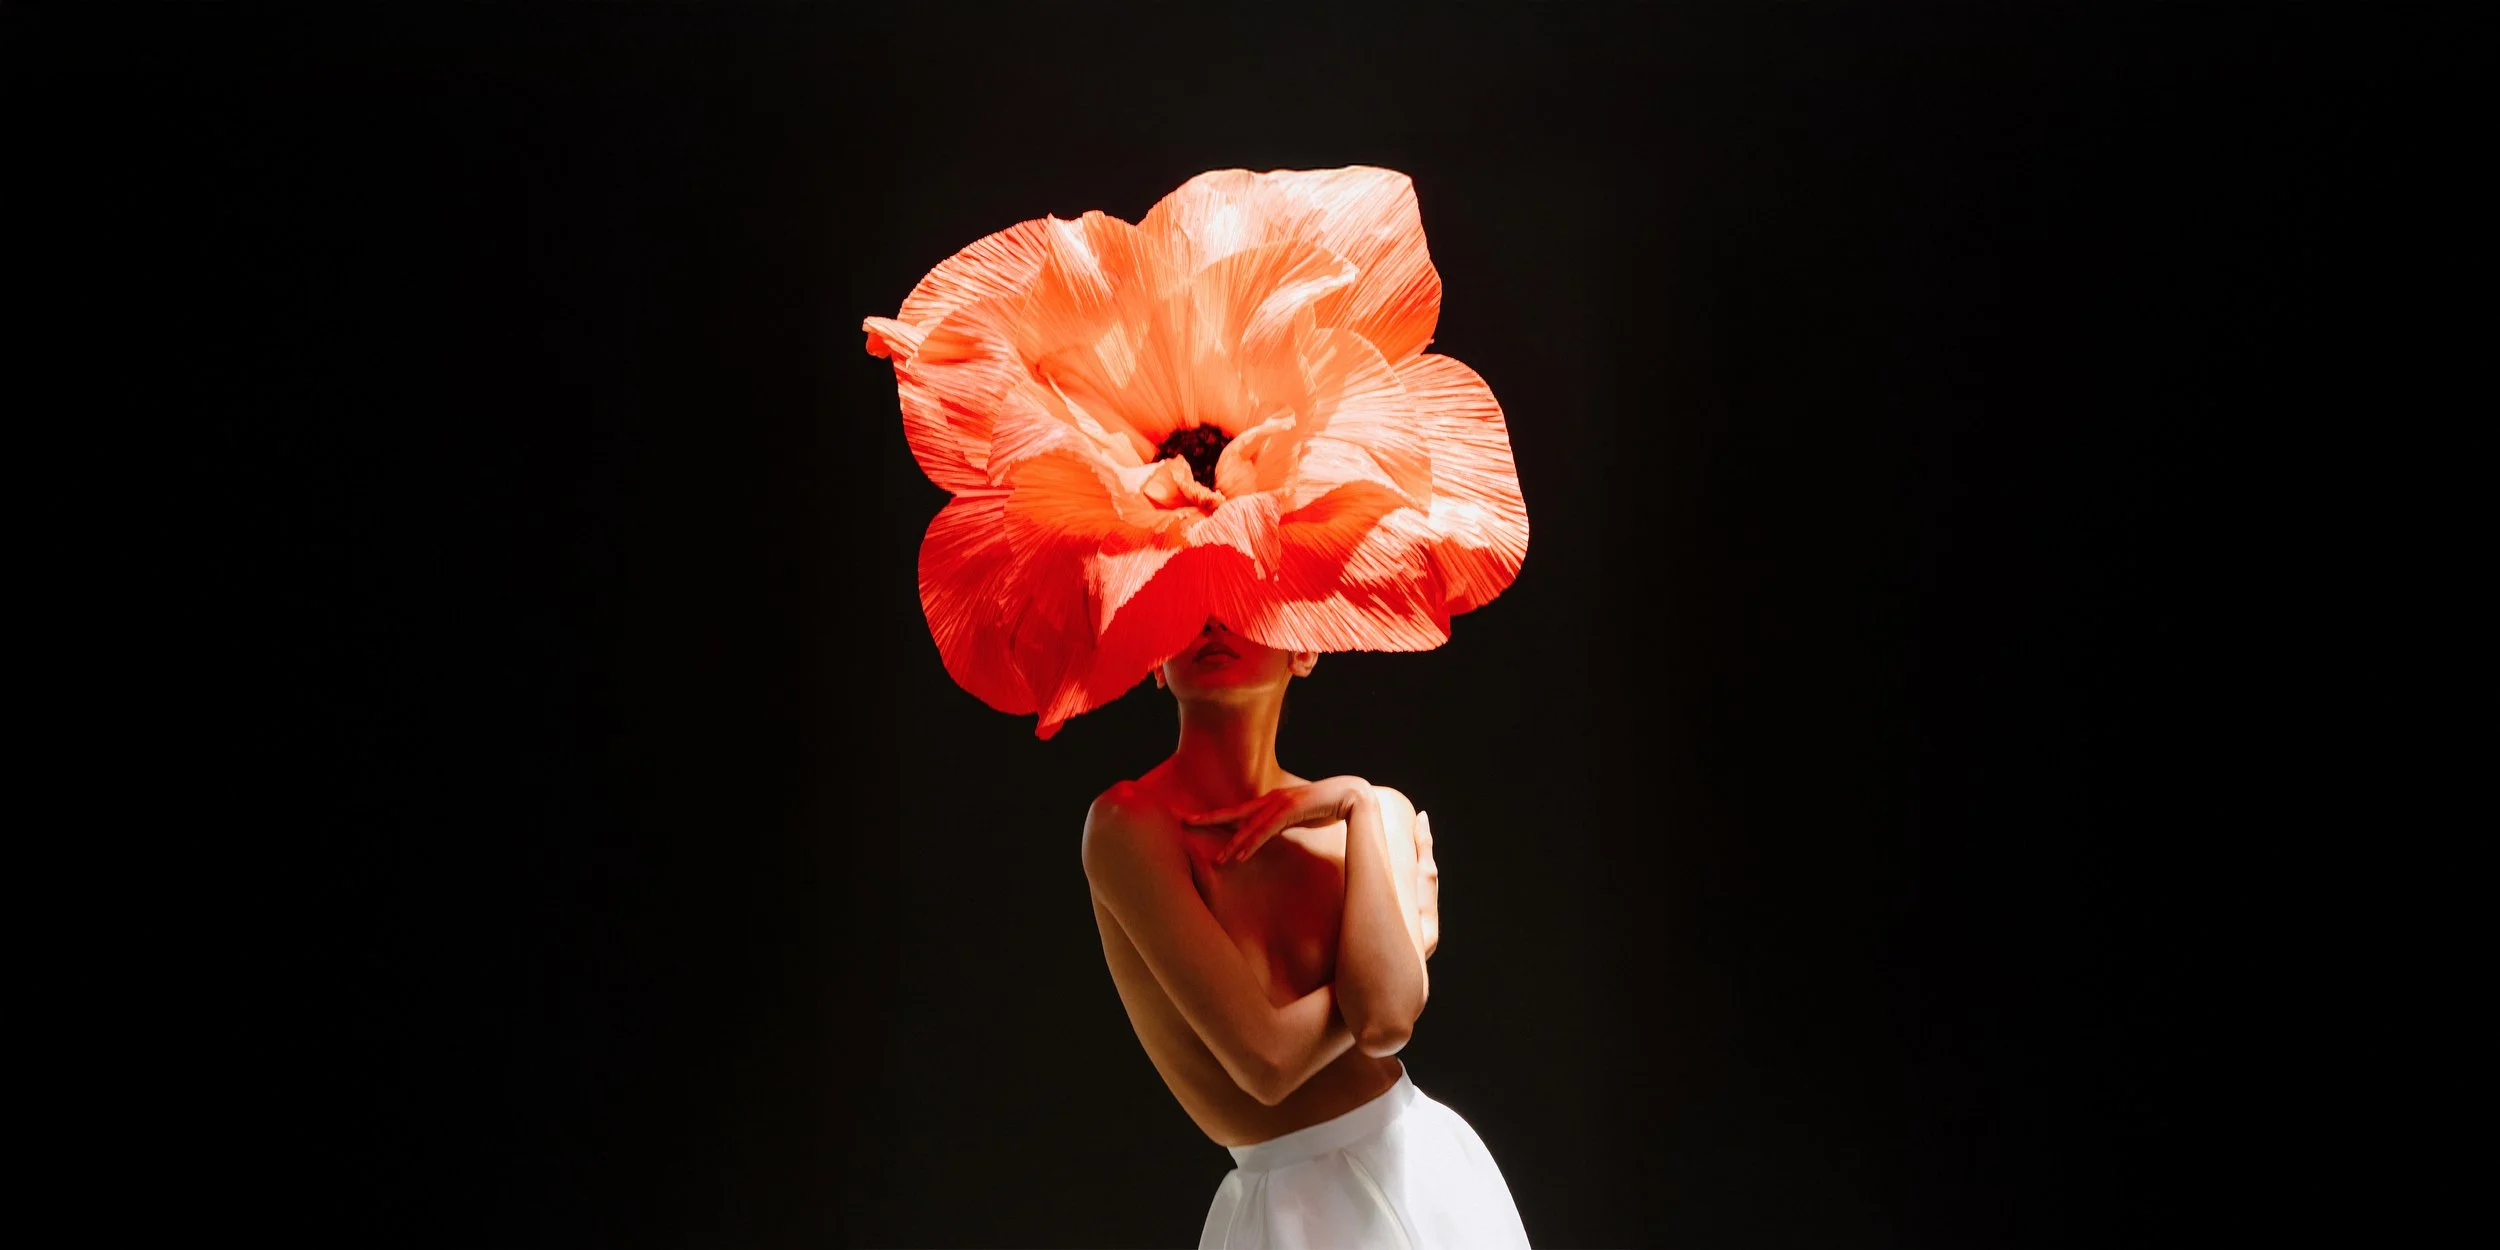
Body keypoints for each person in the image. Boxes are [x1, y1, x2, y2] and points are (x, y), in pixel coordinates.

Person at [1083, 614, 1535, 1249]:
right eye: (1187, 602)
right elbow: (1267, 1064)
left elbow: (1387, 1027)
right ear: (1155, 662)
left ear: (1304, 648)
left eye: (1241, 600)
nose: (1213, 620)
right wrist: (1405, 956)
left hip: (1425, 1174)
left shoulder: (1375, 811)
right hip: (1288, 1207)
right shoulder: (1127, 826)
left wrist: (1355, 800)